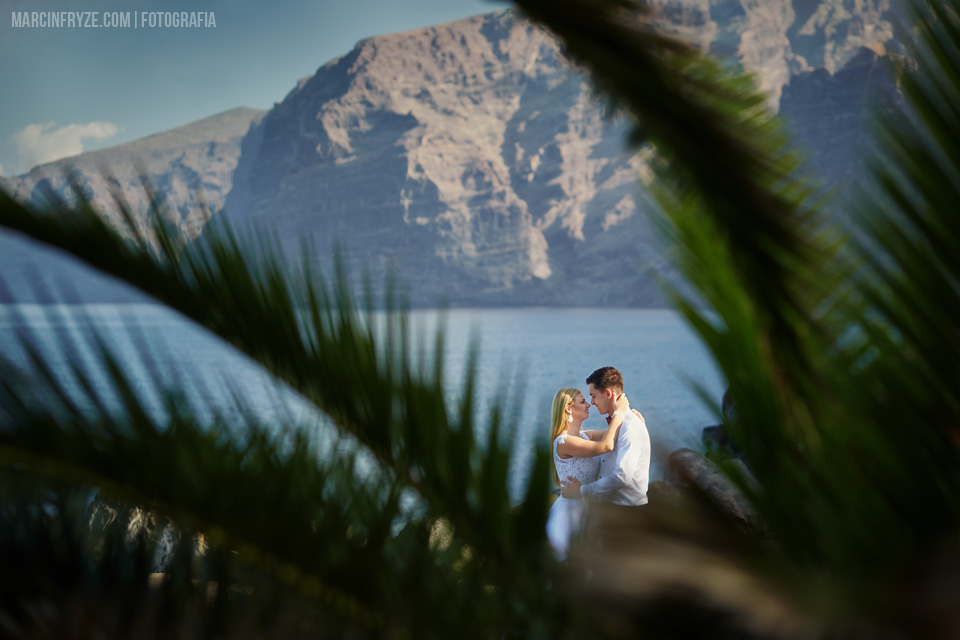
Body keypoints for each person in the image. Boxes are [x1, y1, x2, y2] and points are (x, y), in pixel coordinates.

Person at [546, 386, 630, 558]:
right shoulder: (564, 442)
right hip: (571, 514)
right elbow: (606, 445)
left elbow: (617, 433)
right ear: (568, 408)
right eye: (583, 401)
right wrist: (619, 413)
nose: (588, 404)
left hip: (590, 506)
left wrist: (631, 419)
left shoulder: (586, 436)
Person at [561, 366, 650, 507]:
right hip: (609, 509)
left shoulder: (630, 426)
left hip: (627, 510)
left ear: (608, 394)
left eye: (593, 396)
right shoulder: (619, 425)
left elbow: (623, 476)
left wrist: (583, 490)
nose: (592, 402)